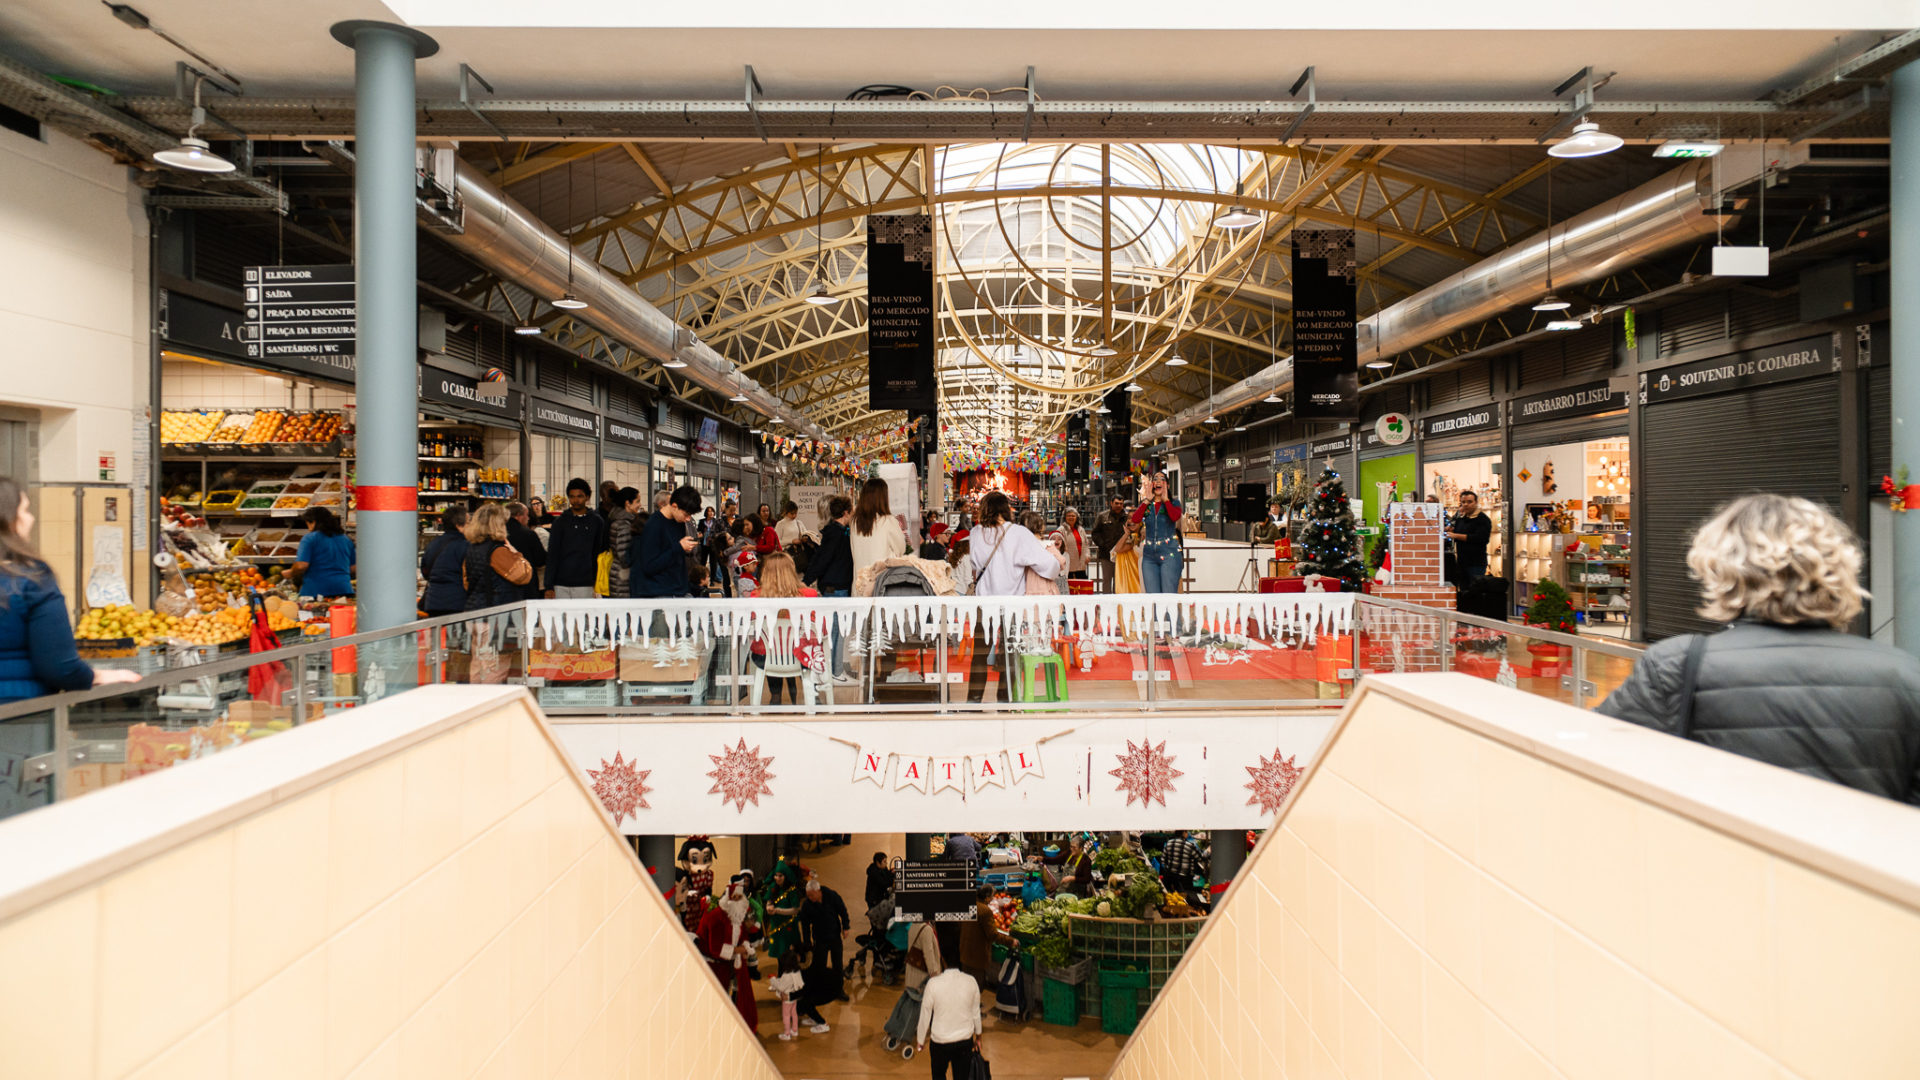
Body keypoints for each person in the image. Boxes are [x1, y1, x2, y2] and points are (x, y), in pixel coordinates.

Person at [1598, 495, 1920, 804]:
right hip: (1859, 858)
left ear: (1720, 571)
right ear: (1840, 571)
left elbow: (1597, 759)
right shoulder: (1904, 674)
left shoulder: (1678, 664)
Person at [0, 478, 141, 704]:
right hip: (18, 714)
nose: (31, 518)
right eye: (24, 510)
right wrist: (98, 675)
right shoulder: (30, 579)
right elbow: (58, 666)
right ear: (8, 520)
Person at [965, 493, 1057, 702]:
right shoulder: (1018, 534)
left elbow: (975, 565)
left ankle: (974, 699)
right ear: (1005, 508)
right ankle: (1005, 699)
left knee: (979, 654)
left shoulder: (976, 533)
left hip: (984, 603)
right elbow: (1050, 567)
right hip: (1012, 604)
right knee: (1009, 652)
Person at [696, 874, 761, 1029]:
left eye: (740, 897)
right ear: (729, 897)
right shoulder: (716, 917)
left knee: (736, 993)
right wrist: (739, 949)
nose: (739, 901)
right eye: (735, 897)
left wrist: (745, 946)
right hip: (713, 966)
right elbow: (716, 948)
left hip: (730, 964)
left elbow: (742, 934)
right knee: (717, 997)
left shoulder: (736, 915)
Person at [915, 964, 983, 1079]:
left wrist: (920, 1040)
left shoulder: (933, 983)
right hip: (964, 1040)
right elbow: (975, 1012)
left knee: (938, 1075)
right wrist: (979, 1037)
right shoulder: (971, 981)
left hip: (940, 1041)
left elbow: (925, 1013)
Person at [632, 485, 701, 598]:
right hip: (659, 592)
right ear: (674, 506)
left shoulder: (678, 522)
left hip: (678, 590)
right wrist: (679, 548)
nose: (688, 519)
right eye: (686, 514)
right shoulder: (653, 525)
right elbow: (649, 566)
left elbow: (676, 559)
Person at [461, 503, 534, 609]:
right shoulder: (498, 551)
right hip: (497, 613)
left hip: (475, 608)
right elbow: (523, 576)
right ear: (497, 525)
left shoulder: (472, 548)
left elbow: (466, 583)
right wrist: (516, 554)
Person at [544, 478, 608, 599]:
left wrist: (596, 582)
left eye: (580, 496)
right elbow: (553, 554)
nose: (576, 500)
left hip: (586, 583)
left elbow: (598, 552)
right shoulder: (560, 522)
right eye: (572, 497)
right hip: (560, 583)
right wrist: (549, 585)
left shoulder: (597, 522)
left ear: (587, 497)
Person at [1131, 472, 1184, 594]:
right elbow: (1135, 519)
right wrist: (1147, 500)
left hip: (1169, 555)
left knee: (1168, 599)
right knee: (1153, 599)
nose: (1158, 481)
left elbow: (1175, 516)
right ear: (1152, 485)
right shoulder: (1147, 505)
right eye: (1155, 479)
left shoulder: (1174, 503)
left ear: (1167, 485)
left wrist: (1166, 500)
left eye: (1162, 479)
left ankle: (1170, 614)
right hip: (1149, 557)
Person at [851, 477, 908, 583]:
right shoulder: (888, 521)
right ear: (883, 497)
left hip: (860, 583)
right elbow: (901, 549)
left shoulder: (855, 522)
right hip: (881, 584)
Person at [292, 506, 355, 598]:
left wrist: (292, 572)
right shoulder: (345, 539)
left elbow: (302, 565)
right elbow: (353, 568)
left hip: (315, 592)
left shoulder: (309, 538)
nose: (309, 528)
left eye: (308, 524)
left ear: (313, 522)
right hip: (344, 590)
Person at [418, 505, 470, 616]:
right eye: (468, 523)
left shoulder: (433, 544)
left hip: (433, 601)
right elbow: (470, 574)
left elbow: (425, 570)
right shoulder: (465, 546)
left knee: (437, 633)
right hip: (457, 602)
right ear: (459, 526)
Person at [1445, 489, 1491, 583]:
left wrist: (1455, 535)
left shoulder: (1482, 519)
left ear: (1476, 502)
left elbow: (1480, 538)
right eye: (1463, 502)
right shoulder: (1461, 518)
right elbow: (1455, 530)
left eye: (1469, 502)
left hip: (1476, 563)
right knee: (1463, 591)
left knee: (1475, 591)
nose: (1466, 504)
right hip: (1462, 562)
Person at [504, 501, 547, 601]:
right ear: (519, 516)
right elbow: (540, 560)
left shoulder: (498, 533)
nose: (528, 518)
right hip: (527, 585)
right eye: (527, 515)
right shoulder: (528, 534)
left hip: (505, 584)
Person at [605, 486, 641, 598]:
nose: (640, 505)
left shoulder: (621, 521)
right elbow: (624, 555)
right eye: (637, 501)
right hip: (623, 577)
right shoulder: (624, 525)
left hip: (620, 574)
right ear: (628, 503)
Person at [1091, 495, 1129, 593]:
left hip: (1122, 554)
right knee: (1107, 580)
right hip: (1106, 555)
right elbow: (1095, 533)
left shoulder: (1127, 517)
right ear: (1111, 503)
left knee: (1119, 581)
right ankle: (1106, 603)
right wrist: (1103, 545)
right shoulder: (1102, 516)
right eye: (1116, 503)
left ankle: (1118, 603)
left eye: (1121, 504)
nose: (1119, 506)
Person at [1158, 829, 1204, 904]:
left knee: (1171, 899)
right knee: (1185, 899)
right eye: (1186, 832)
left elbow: (1162, 860)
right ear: (1183, 833)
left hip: (1170, 877)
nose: (1187, 833)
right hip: (1185, 879)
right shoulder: (1189, 845)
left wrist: (1170, 867)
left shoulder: (1169, 843)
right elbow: (1200, 858)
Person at [769, 953, 805, 1041]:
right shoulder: (797, 971)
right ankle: (794, 1030)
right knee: (794, 1013)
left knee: (786, 1016)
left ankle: (787, 1033)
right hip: (794, 997)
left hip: (787, 999)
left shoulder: (786, 975)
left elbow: (780, 986)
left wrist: (772, 979)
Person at [1050, 506, 1090, 582]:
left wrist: (1087, 555)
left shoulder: (1081, 529)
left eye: (1073, 516)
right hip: (1068, 565)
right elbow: (1057, 547)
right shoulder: (1061, 530)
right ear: (1065, 517)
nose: (1071, 517)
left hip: (1081, 565)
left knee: (1082, 589)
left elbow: (1086, 544)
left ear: (1076, 517)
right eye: (1069, 516)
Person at [1113, 522, 1144, 594]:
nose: (1132, 521)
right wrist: (1126, 534)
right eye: (1129, 518)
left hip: (1146, 574)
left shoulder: (1148, 536)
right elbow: (1117, 549)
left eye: (1134, 517)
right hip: (1135, 577)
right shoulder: (1133, 540)